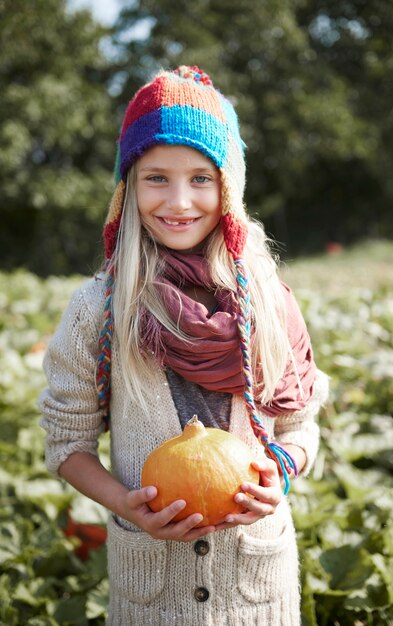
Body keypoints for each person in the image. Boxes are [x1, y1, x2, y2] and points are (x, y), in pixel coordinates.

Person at [39, 65, 329, 626]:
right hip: (152, 598)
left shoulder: (266, 300)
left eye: (201, 178)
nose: (179, 201)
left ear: (229, 185)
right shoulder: (100, 308)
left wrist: (282, 474)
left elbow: (300, 427)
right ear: (128, 185)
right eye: (156, 178)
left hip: (257, 593)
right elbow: (66, 445)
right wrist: (124, 505)